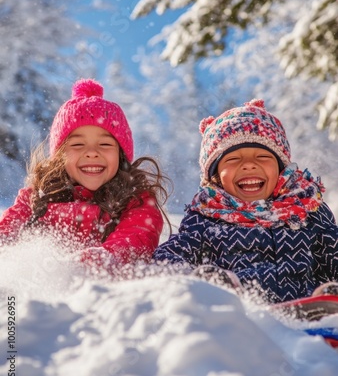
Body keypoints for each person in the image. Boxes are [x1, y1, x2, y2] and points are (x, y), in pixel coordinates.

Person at [153, 99, 338, 303]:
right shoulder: (206, 219)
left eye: (262, 156)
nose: (249, 165)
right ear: (215, 175)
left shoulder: (305, 209)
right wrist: (200, 282)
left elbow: (333, 253)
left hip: (307, 312)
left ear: (280, 167)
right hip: (242, 318)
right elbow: (168, 258)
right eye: (233, 159)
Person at [0, 78, 170, 267]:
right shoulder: (34, 199)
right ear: (59, 156)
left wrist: (80, 266)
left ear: (120, 155)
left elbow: (134, 242)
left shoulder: (136, 202)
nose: (91, 153)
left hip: (101, 293)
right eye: (78, 144)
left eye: (105, 144)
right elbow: (5, 236)